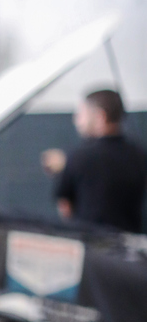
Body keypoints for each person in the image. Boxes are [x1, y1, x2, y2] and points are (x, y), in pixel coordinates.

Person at [40, 89, 147, 233]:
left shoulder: (78, 157)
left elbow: (65, 207)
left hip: (90, 246)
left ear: (100, 116)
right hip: (130, 247)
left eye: (82, 114)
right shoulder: (140, 155)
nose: (76, 121)